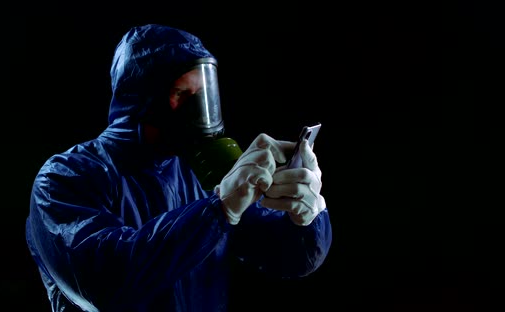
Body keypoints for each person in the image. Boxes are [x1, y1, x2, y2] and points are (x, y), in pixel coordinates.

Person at [25, 23, 332, 312]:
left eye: (203, 95)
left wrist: (305, 214)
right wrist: (217, 209)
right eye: (182, 94)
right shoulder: (64, 179)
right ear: (141, 99)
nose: (198, 111)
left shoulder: (198, 173)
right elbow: (106, 282)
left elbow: (288, 257)